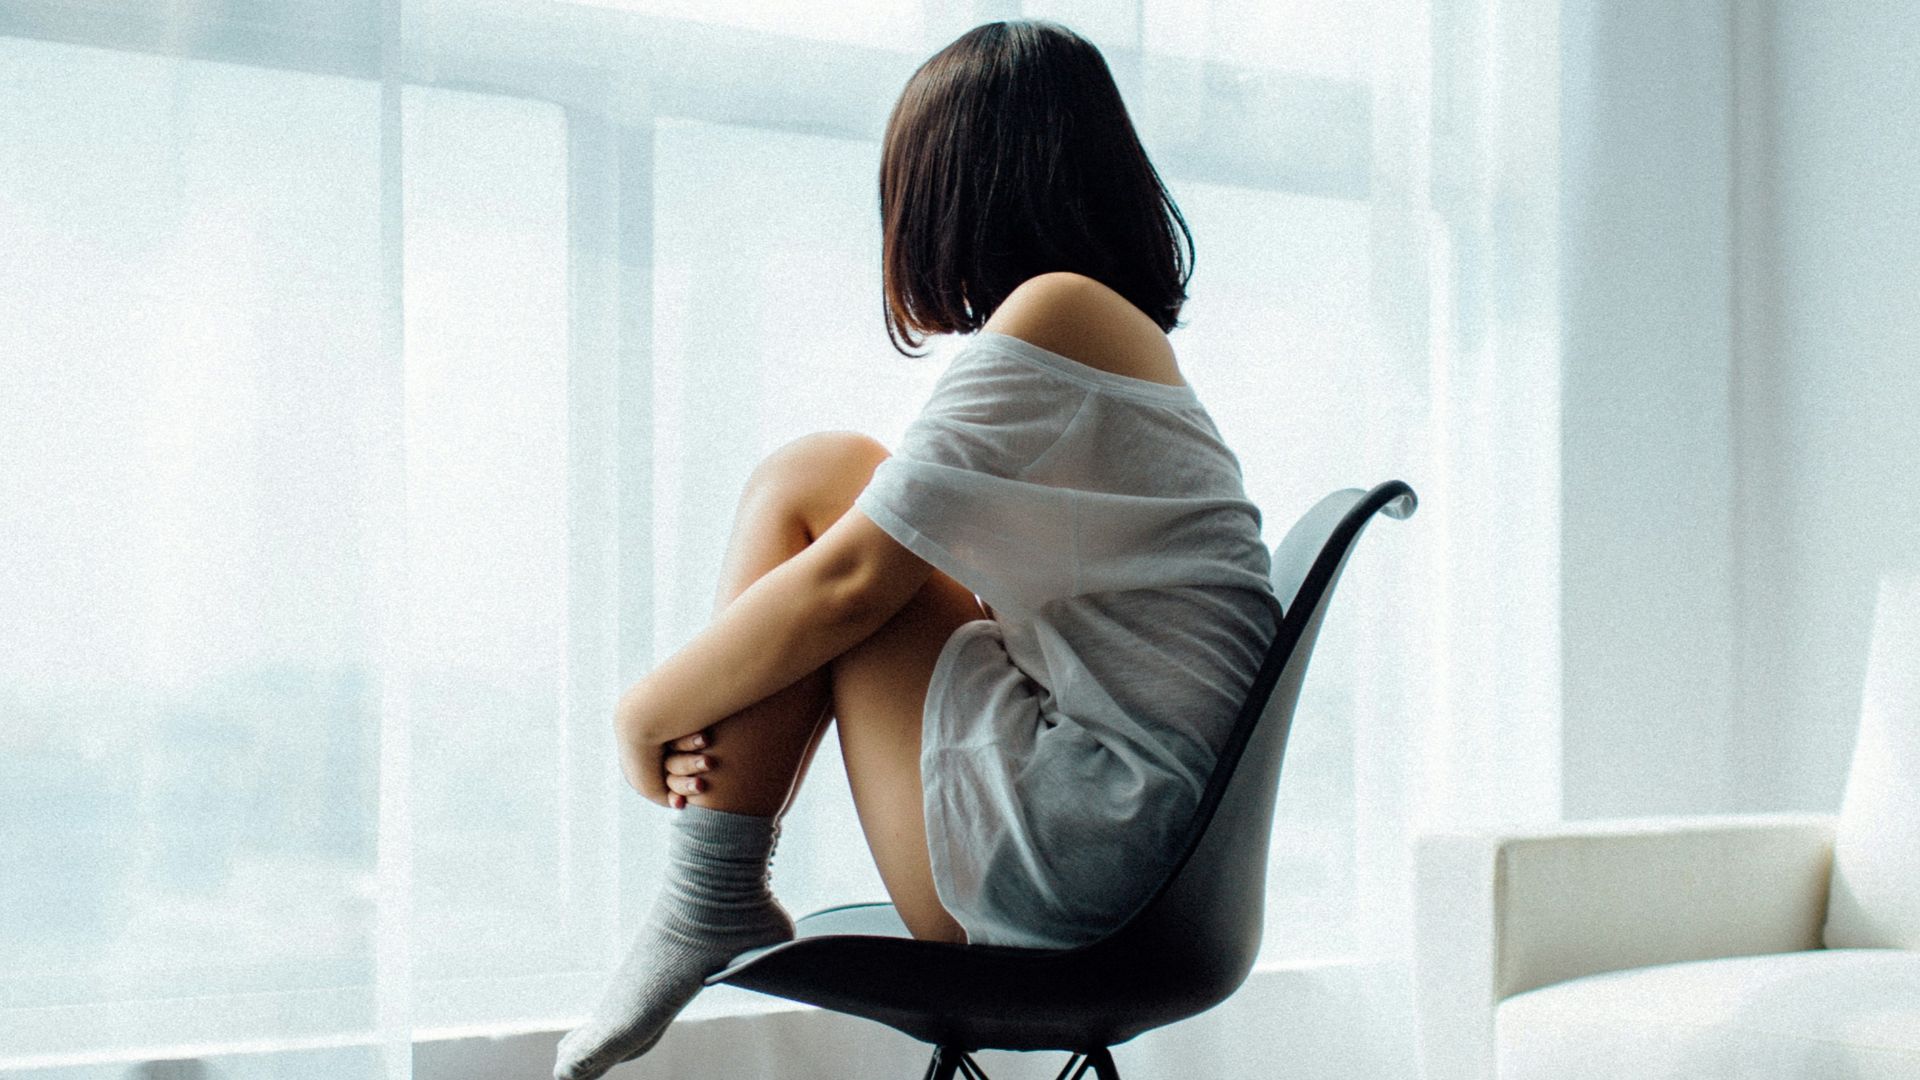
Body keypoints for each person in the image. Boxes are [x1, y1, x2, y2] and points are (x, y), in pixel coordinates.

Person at [553, 18, 1278, 1080]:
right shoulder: (1108, 337)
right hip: (1136, 851)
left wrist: (642, 713)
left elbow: (853, 584)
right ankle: (709, 893)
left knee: (813, 485)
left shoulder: (1059, 314)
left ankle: (706, 894)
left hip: (1090, 862)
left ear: (954, 188)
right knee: (836, 479)